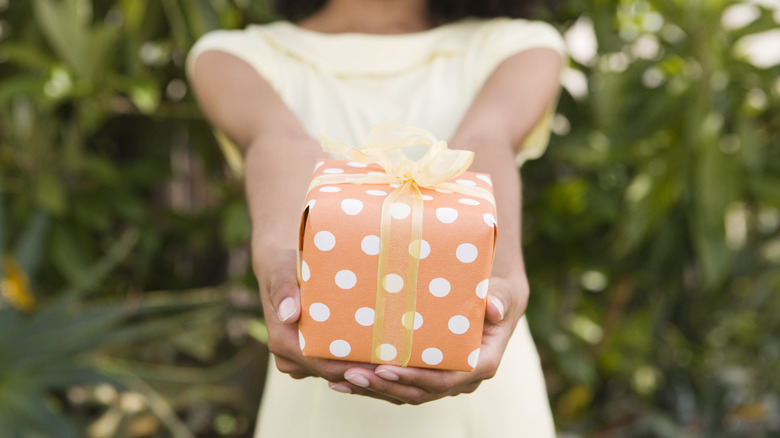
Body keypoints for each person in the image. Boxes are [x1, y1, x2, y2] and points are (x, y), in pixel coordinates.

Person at [186, 0, 566, 436]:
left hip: (482, 386)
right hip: (319, 399)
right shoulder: (232, 56)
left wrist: (502, 277)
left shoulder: (518, 44)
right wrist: (280, 260)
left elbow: (484, 140)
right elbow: (281, 142)